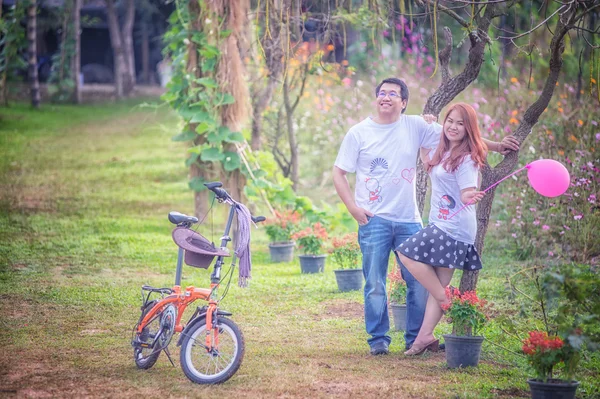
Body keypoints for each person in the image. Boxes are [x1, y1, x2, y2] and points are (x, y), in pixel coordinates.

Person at [333, 78, 519, 356]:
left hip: (409, 218)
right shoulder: (358, 132)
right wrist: (353, 208)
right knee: (374, 282)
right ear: (376, 99)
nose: (386, 97)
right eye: (381, 93)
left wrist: (496, 146)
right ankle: (378, 340)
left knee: (419, 281)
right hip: (373, 219)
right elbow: (339, 173)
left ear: (403, 102)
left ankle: (415, 338)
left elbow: (460, 134)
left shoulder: (415, 125)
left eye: (393, 94)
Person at [397, 102, 487, 356]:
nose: (454, 127)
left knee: (406, 253)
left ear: (469, 129)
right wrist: (428, 125)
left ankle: (447, 301)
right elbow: (428, 158)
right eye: (450, 121)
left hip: (454, 225)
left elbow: (467, 189)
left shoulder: (467, 158)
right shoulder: (444, 150)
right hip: (441, 221)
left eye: (461, 123)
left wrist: (470, 195)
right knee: (440, 280)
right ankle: (424, 337)